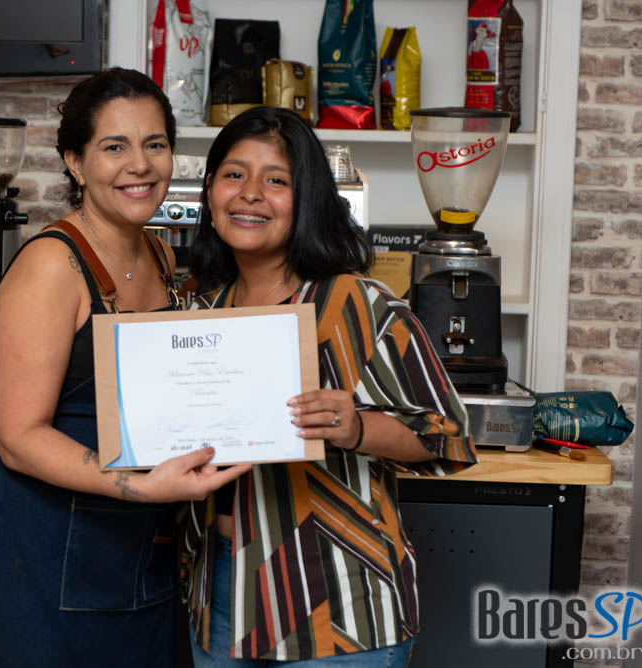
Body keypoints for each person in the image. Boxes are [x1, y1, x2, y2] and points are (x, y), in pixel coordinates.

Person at [0, 67, 249, 668]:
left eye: (154, 144)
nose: (140, 165)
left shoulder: (158, 254)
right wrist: (141, 485)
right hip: (31, 547)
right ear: (76, 163)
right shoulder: (52, 266)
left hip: (131, 545)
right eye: (114, 147)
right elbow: (18, 438)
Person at [182, 106, 479, 666]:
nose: (250, 193)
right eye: (234, 174)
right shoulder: (200, 314)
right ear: (210, 189)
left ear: (309, 200)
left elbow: (447, 436)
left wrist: (356, 426)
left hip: (339, 602)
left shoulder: (360, 305)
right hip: (222, 593)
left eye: (277, 180)